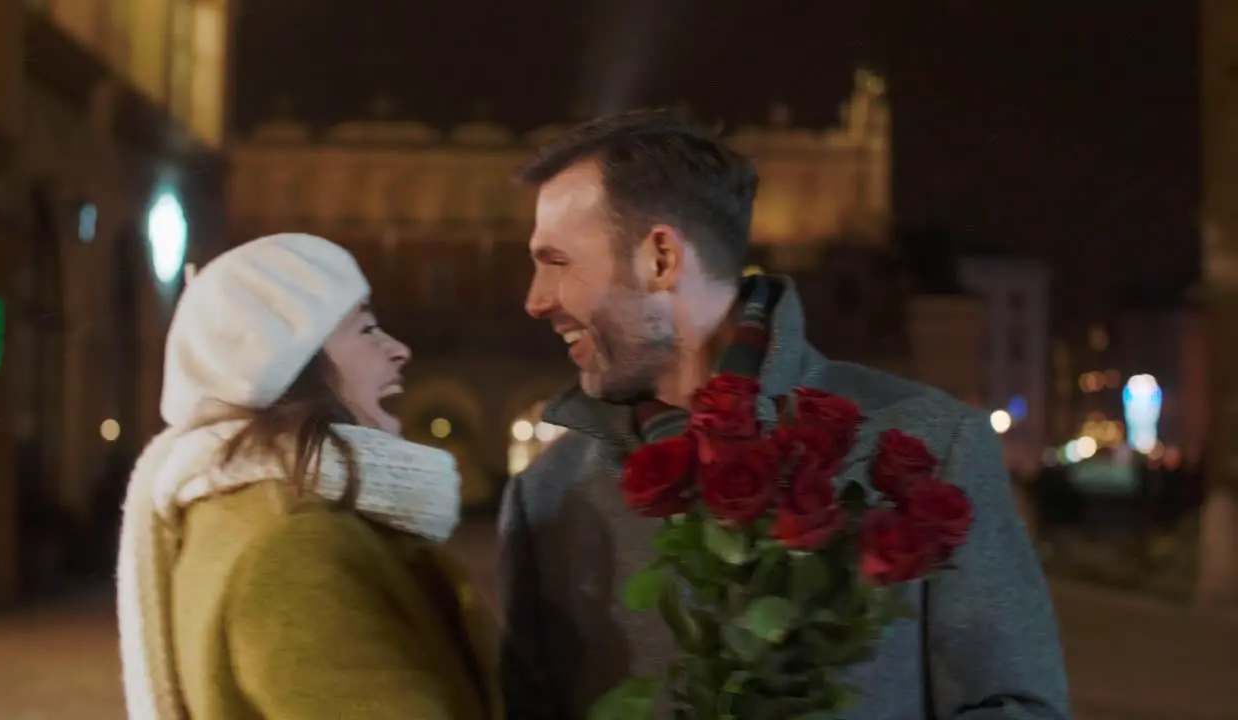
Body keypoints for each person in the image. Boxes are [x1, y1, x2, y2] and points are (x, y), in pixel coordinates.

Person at [498, 110, 1072, 719]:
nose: (535, 301)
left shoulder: (929, 443)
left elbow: (1020, 706)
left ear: (661, 258)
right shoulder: (546, 499)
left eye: (557, 262)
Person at [116, 233, 501, 720]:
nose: (399, 349)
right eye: (366, 329)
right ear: (287, 359)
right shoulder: (294, 542)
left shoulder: (241, 508)